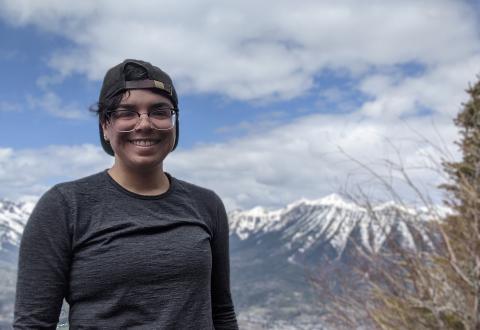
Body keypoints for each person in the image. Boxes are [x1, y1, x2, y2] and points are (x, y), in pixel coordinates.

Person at [13, 59, 239, 329]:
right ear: (105, 126)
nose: (144, 124)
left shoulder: (206, 205)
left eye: (159, 111)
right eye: (126, 112)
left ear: (174, 123)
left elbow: (222, 314)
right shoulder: (64, 206)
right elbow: (33, 325)